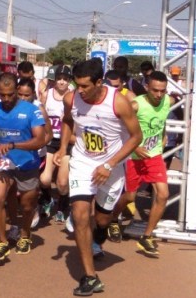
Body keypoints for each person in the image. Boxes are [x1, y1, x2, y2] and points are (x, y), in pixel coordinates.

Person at [57, 58, 142, 296]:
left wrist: (110, 163)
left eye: (85, 86)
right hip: (83, 162)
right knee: (80, 214)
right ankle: (90, 276)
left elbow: (136, 137)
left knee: (102, 220)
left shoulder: (119, 102)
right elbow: (67, 120)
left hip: (112, 166)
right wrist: (63, 148)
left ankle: (100, 233)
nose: (80, 90)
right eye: (77, 85)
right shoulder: (71, 98)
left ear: (98, 82)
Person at [109, 70, 173, 256]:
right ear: (146, 87)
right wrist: (134, 147)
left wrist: (163, 135)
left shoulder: (168, 101)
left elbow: (161, 121)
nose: (159, 94)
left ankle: (146, 237)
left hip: (154, 156)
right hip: (133, 158)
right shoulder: (136, 105)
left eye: (162, 90)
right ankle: (113, 219)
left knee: (163, 194)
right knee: (129, 197)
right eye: (155, 90)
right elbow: (119, 127)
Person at [0, 73, 47, 260]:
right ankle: (3, 242)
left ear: (17, 91)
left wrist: (14, 145)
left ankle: (25, 234)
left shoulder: (31, 111)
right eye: (2, 95)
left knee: (27, 206)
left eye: (10, 95)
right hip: (3, 160)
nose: (6, 99)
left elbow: (39, 140)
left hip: (27, 161)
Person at [40, 65, 74, 224]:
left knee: (61, 183)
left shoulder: (73, 96)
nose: (61, 82)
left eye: (65, 79)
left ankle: (63, 206)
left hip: (66, 142)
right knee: (45, 179)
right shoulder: (47, 94)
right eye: (59, 79)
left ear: (69, 81)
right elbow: (40, 113)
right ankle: (47, 200)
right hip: (50, 141)